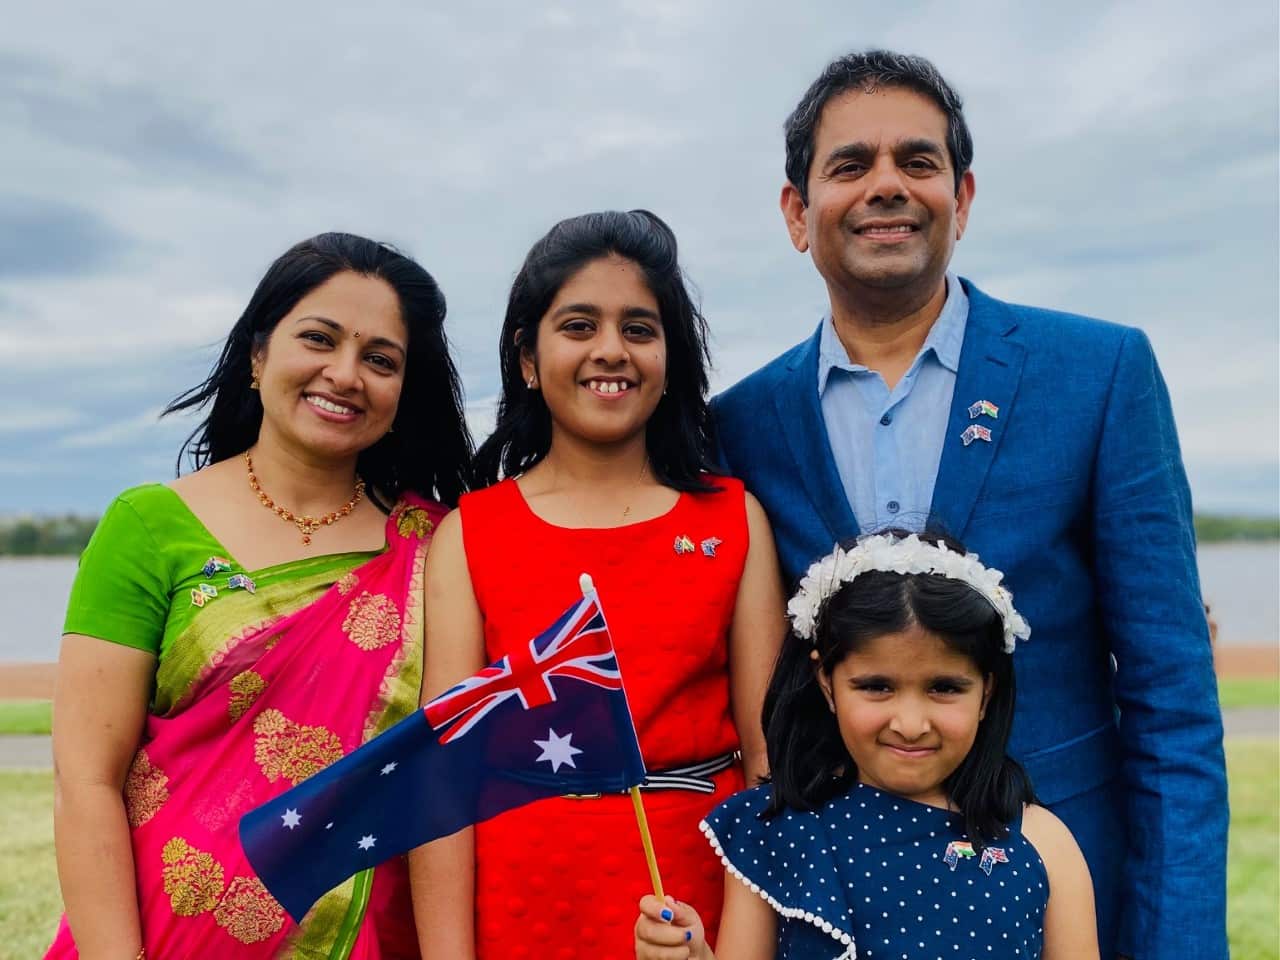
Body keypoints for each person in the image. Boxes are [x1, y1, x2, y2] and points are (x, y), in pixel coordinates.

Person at [712, 50, 1227, 957]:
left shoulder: (1100, 374)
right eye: (849, 165)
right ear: (797, 213)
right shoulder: (740, 426)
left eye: (917, 162)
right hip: (833, 910)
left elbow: (1171, 703)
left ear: (964, 196)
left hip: (1063, 890)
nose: (887, 187)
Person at [46, 233, 473, 959]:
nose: (345, 374)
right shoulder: (150, 526)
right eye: (319, 339)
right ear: (257, 355)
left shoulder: (440, 549)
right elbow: (85, 781)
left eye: (380, 359)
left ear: (404, 394)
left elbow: (445, 785)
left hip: (358, 937)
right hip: (157, 934)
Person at [412, 210, 786, 960]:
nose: (610, 350)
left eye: (639, 329)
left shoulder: (733, 520)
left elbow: (770, 768)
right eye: (578, 325)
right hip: (520, 905)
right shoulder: (470, 532)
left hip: (695, 903)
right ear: (526, 357)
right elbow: (442, 777)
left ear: (671, 355)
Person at [635, 532, 1099, 960]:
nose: (911, 724)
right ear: (826, 684)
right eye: (877, 687)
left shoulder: (1040, 841)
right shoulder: (775, 828)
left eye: (944, 688)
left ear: (987, 693)